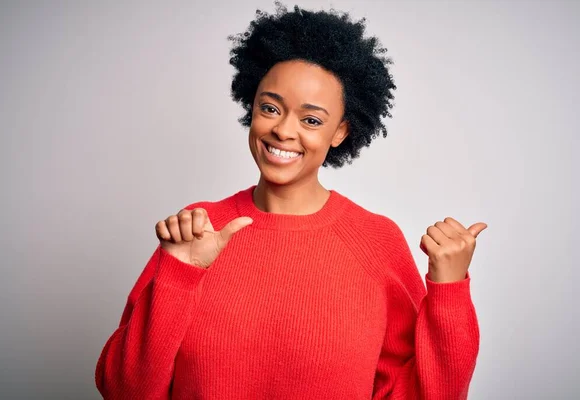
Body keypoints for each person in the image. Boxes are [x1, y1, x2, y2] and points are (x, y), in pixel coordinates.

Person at [95, 4, 487, 399]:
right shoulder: (198, 229)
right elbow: (124, 391)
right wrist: (178, 275)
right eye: (270, 108)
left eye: (311, 120)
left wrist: (449, 290)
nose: (282, 130)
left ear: (340, 131)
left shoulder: (375, 240)